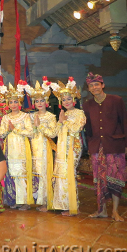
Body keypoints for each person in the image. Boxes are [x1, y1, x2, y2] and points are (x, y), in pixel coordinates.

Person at [83, 72, 127, 221]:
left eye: (97, 84)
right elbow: (88, 127)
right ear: (89, 89)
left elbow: (123, 122)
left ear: (103, 85)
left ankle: (115, 211)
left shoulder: (116, 100)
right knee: (99, 180)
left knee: (116, 178)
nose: (94, 87)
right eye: (91, 86)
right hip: (97, 147)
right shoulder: (87, 105)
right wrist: (91, 144)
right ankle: (102, 210)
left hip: (115, 145)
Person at [51, 78, 86, 216]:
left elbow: (77, 128)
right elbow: (54, 132)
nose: (66, 101)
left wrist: (64, 122)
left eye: (68, 99)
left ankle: (72, 206)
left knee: (69, 174)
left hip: (72, 147)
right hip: (61, 147)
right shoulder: (63, 114)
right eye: (64, 99)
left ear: (74, 100)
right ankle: (62, 205)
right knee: (61, 175)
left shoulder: (79, 113)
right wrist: (59, 122)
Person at [0, 82, 34, 210]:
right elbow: (1, 133)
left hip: (21, 148)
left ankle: (24, 200)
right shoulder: (5, 117)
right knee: (11, 173)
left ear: (19, 103)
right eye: (11, 102)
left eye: (15, 102)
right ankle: (13, 199)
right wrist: (8, 129)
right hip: (9, 149)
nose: (13, 105)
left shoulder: (25, 116)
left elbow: (30, 132)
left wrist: (15, 129)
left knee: (21, 174)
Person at [25, 78, 58, 212]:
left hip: (45, 147)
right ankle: (36, 199)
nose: (39, 103)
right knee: (34, 173)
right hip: (33, 146)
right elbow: (29, 132)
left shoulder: (50, 116)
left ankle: (46, 201)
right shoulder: (31, 116)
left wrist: (40, 127)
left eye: (42, 100)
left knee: (44, 172)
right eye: (37, 101)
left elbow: (53, 133)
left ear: (47, 102)